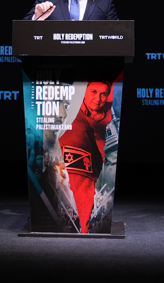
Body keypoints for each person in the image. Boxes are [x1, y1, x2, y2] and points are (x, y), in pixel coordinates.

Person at [58, 81, 114, 233]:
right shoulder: (74, 121)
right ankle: (84, 227)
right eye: (94, 92)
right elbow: (80, 184)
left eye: (103, 94)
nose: (98, 99)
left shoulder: (110, 115)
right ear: (84, 92)